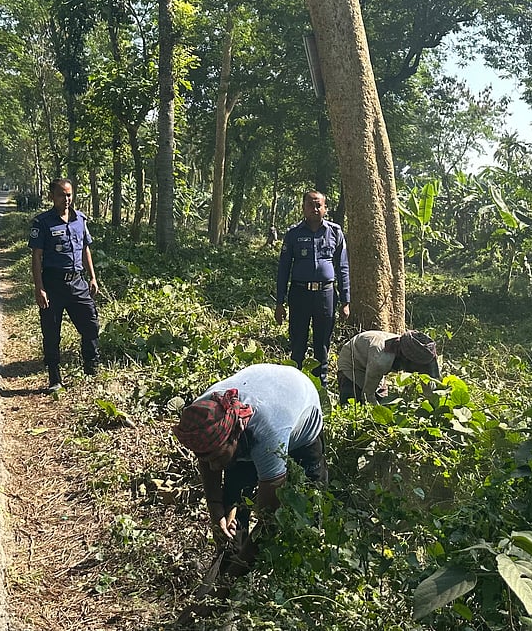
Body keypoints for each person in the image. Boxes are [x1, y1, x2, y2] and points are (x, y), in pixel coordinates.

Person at [172, 363, 328, 570]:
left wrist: (239, 570)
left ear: (235, 435)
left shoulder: (268, 435)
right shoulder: (203, 414)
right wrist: (216, 508)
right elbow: (206, 455)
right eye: (208, 458)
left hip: (300, 406)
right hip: (261, 385)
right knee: (233, 497)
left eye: (217, 457)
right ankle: (229, 553)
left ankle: (305, 564)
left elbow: (269, 517)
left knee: (308, 505)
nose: (214, 467)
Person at [29, 178, 101, 392]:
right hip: (53, 284)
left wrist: (92, 277)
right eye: (61, 195)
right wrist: (39, 287)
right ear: (52, 196)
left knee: (91, 325)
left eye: (69, 194)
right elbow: (37, 256)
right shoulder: (42, 222)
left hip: (78, 282)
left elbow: (85, 249)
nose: (66, 199)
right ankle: (54, 378)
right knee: (51, 332)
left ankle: (91, 369)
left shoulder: (80, 219)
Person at [275, 191, 350, 384]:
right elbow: (284, 269)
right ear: (303, 208)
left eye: (319, 205)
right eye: (310, 205)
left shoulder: (335, 232)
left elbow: (342, 267)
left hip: (326, 295)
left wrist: (345, 301)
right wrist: (279, 302)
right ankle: (295, 385)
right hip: (299, 294)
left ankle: (320, 386)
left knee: (322, 344)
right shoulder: (293, 234)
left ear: (325, 208)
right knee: (297, 343)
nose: (315, 209)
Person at [337, 330, 440, 404]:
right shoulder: (382, 360)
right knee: (352, 402)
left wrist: (432, 404)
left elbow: (429, 386)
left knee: (384, 402)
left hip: (371, 362)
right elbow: (367, 395)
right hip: (353, 363)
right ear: (407, 359)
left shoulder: (419, 351)